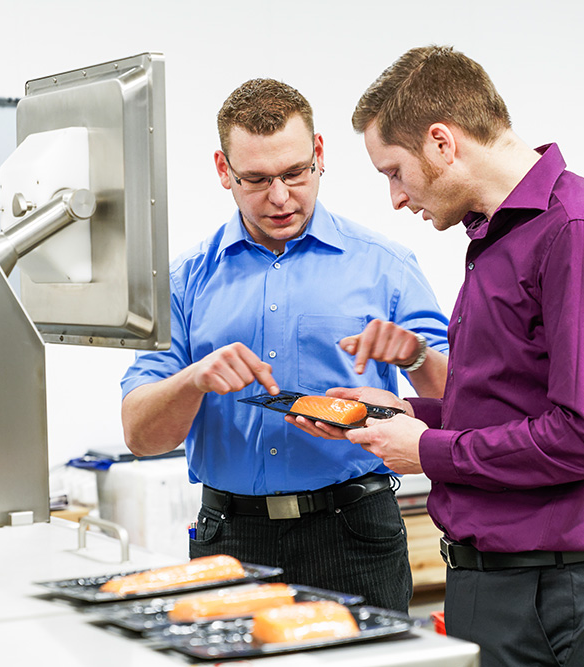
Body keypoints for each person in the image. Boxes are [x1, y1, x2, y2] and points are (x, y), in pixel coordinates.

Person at [289, 46, 584, 666]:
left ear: (441, 142)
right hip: (499, 581)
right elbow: (509, 403)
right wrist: (402, 414)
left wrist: (425, 450)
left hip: (548, 592)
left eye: (394, 171)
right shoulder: (502, 235)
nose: (396, 198)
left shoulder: (578, 233)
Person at [120, 78, 450, 612]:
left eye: (295, 173)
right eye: (255, 179)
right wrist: (192, 379)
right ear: (223, 170)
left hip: (354, 535)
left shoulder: (386, 267)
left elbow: (463, 401)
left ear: (320, 154)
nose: (279, 197)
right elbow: (140, 434)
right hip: (229, 540)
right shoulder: (182, 282)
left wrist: (415, 356)